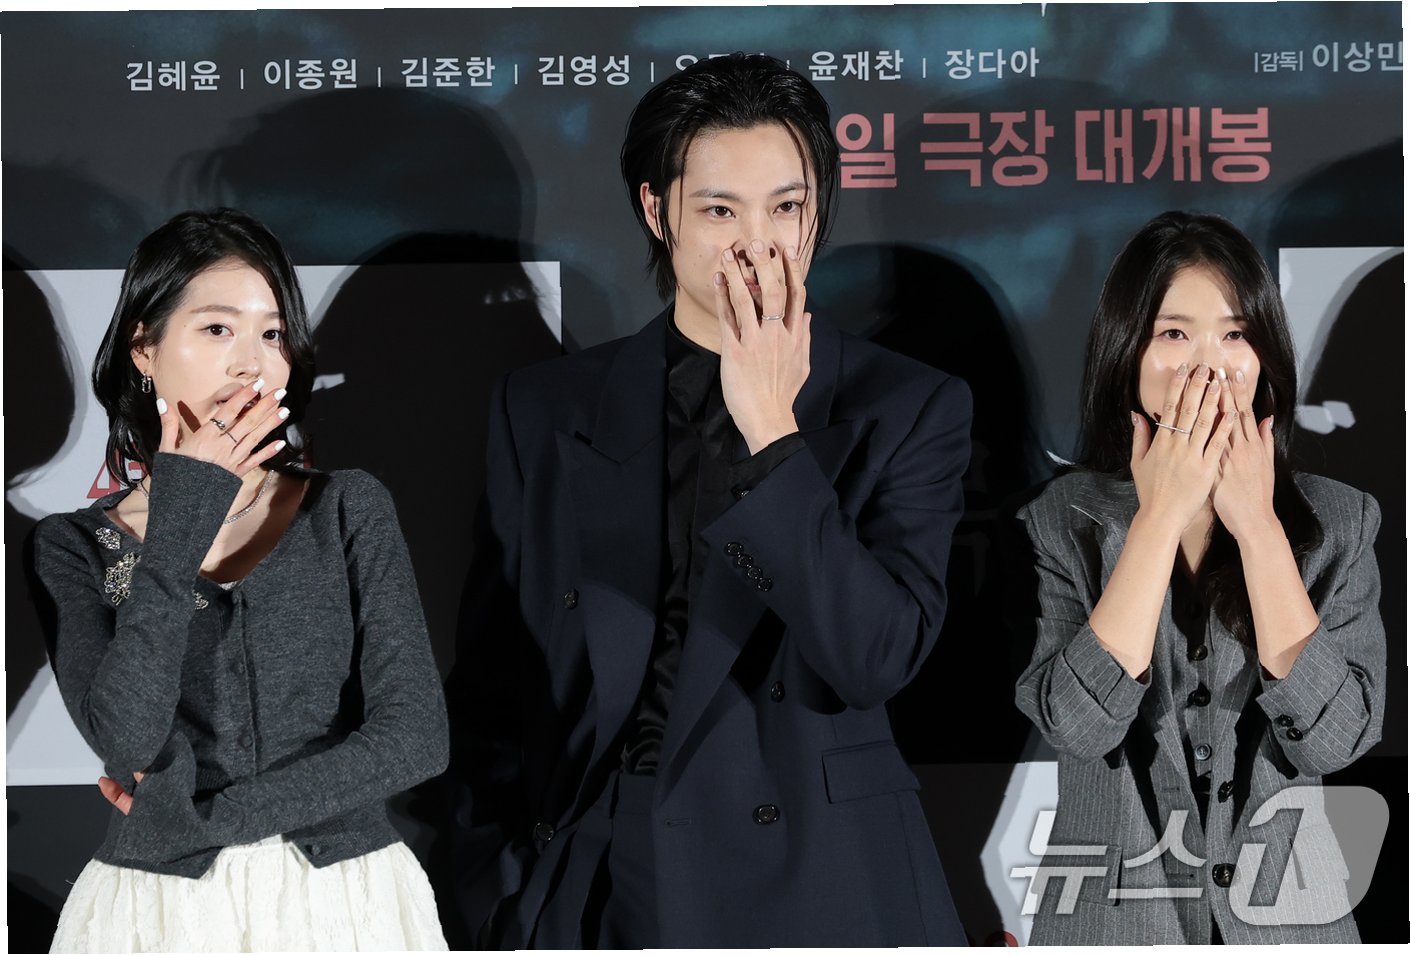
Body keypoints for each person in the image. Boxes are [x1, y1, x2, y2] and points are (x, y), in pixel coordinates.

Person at [446, 53, 972, 948]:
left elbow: (873, 655)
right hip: (600, 877)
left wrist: (773, 432)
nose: (758, 245)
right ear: (658, 211)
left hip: (816, 883)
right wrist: (500, 889)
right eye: (721, 211)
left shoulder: (906, 406)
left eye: (786, 207)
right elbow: (493, 684)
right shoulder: (547, 408)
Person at [32, 208, 449, 952]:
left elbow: (415, 738)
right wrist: (185, 512)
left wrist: (205, 818)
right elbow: (126, 738)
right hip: (158, 910)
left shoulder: (347, 507)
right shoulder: (73, 545)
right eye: (218, 328)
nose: (251, 364)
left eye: (273, 334)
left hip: (345, 899)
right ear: (144, 348)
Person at [1013, 211, 1385, 944]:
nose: (1208, 366)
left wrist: (1259, 527)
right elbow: (1078, 726)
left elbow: (1334, 741)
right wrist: (1160, 518)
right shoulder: (1065, 520)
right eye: (1175, 334)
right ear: (1129, 350)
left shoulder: (1341, 522)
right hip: (1114, 921)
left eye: (1236, 334)